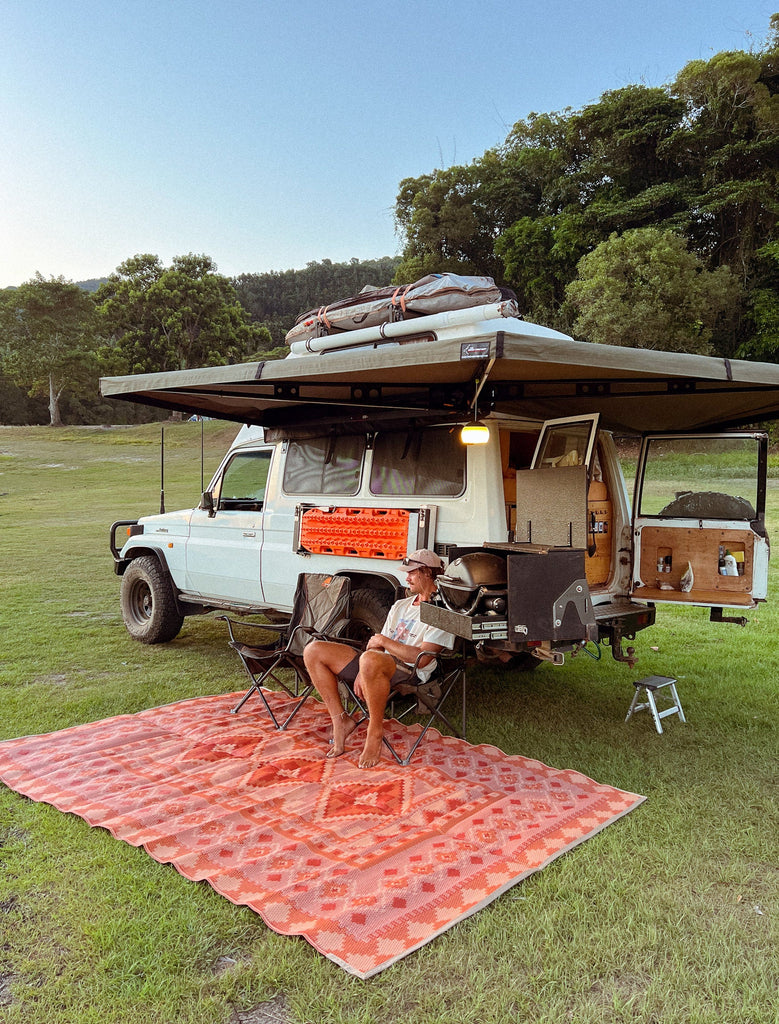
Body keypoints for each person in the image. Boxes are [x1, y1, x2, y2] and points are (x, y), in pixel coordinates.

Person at [303, 549, 455, 769]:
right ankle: (340, 720)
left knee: (371, 660)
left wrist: (381, 646)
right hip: (377, 663)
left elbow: (422, 659)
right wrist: (365, 668)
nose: (407, 578)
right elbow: (376, 646)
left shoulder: (442, 612)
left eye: (411, 573)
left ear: (426, 573)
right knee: (313, 650)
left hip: (409, 670)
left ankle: (374, 733)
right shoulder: (401, 605)